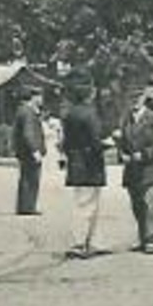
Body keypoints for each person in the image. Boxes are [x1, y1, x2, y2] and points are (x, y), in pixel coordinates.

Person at [119, 86, 153, 254]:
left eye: (138, 97)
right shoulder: (126, 118)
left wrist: (145, 154)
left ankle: (151, 239)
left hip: (150, 169)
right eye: (131, 97)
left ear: (143, 99)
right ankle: (143, 237)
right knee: (137, 205)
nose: (134, 101)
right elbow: (122, 141)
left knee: (151, 204)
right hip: (132, 169)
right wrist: (123, 155)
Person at [60, 77, 107, 259]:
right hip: (90, 163)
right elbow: (96, 140)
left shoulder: (70, 114)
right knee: (89, 205)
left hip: (76, 161)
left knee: (82, 202)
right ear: (90, 95)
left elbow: (65, 142)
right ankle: (82, 243)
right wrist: (106, 144)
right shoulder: (90, 114)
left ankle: (84, 242)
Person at [11, 92, 47, 216]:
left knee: (26, 178)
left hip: (23, 151)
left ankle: (24, 206)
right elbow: (28, 133)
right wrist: (35, 150)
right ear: (34, 97)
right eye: (40, 96)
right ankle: (28, 207)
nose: (41, 99)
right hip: (29, 152)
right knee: (31, 179)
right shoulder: (28, 113)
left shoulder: (23, 110)